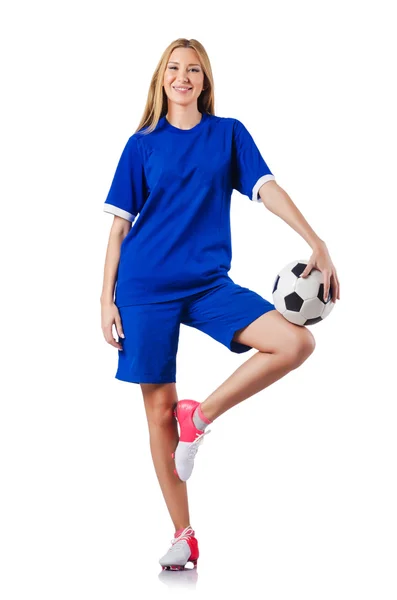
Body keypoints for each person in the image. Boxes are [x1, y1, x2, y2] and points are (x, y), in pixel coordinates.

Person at [100, 37, 340, 571]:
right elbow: (119, 228)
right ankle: (183, 536)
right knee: (158, 411)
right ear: (161, 79)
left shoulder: (227, 134)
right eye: (173, 69)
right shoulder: (141, 145)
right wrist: (104, 298)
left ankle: (201, 416)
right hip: (143, 287)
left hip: (208, 283)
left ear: (205, 81)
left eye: (193, 70)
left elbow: (265, 187)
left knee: (295, 341)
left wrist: (315, 240)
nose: (182, 77)